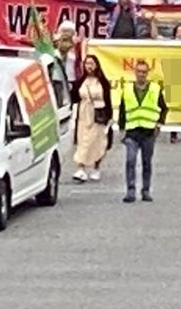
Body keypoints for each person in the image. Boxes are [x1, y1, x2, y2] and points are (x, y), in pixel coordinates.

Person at [118, 59, 167, 203]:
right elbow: (122, 110)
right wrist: (121, 129)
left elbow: (164, 108)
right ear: (135, 73)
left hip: (148, 132)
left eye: (144, 72)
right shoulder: (127, 89)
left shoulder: (155, 89)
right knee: (130, 161)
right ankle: (130, 191)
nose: (141, 75)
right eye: (139, 72)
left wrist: (158, 125)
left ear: (148, 73)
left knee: (147, 162)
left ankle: (145, 191)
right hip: (132, 132)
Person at [71, 54, 112, 182]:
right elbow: (74, 97)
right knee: (83, 140)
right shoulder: (81, 81)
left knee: (97, 141)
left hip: (98, 114)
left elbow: (108, 99)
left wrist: (109, 116)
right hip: (83, 114)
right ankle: (80, 168)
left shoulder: (103, 82)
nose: (89, 66)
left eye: (91, 63)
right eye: (87, 63)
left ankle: (96, 167)